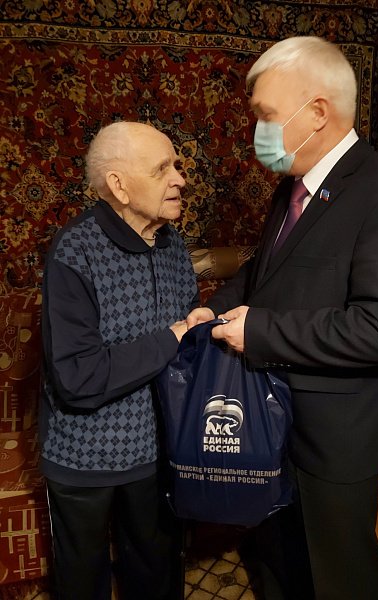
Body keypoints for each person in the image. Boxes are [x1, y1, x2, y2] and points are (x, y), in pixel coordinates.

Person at [187, 36, 378, 600]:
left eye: (266, 115)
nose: (257, 131)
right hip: (273, 421)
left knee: (336, 578)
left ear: (318, 111)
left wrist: (260, 332)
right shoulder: (291, 191)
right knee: (277, 562)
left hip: (335, 439)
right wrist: (216, 307)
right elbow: (263, 273)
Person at [40, 121, 199, 600]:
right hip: (84, 457)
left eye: (176, 165)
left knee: (156, 573)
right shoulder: (75, 250)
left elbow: (187, 342)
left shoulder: (173, 244)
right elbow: (79, 377)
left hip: (158, 453)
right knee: (81, 582)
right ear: (119, 185)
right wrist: (172, 337)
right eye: (162, 169)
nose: (180, 179)